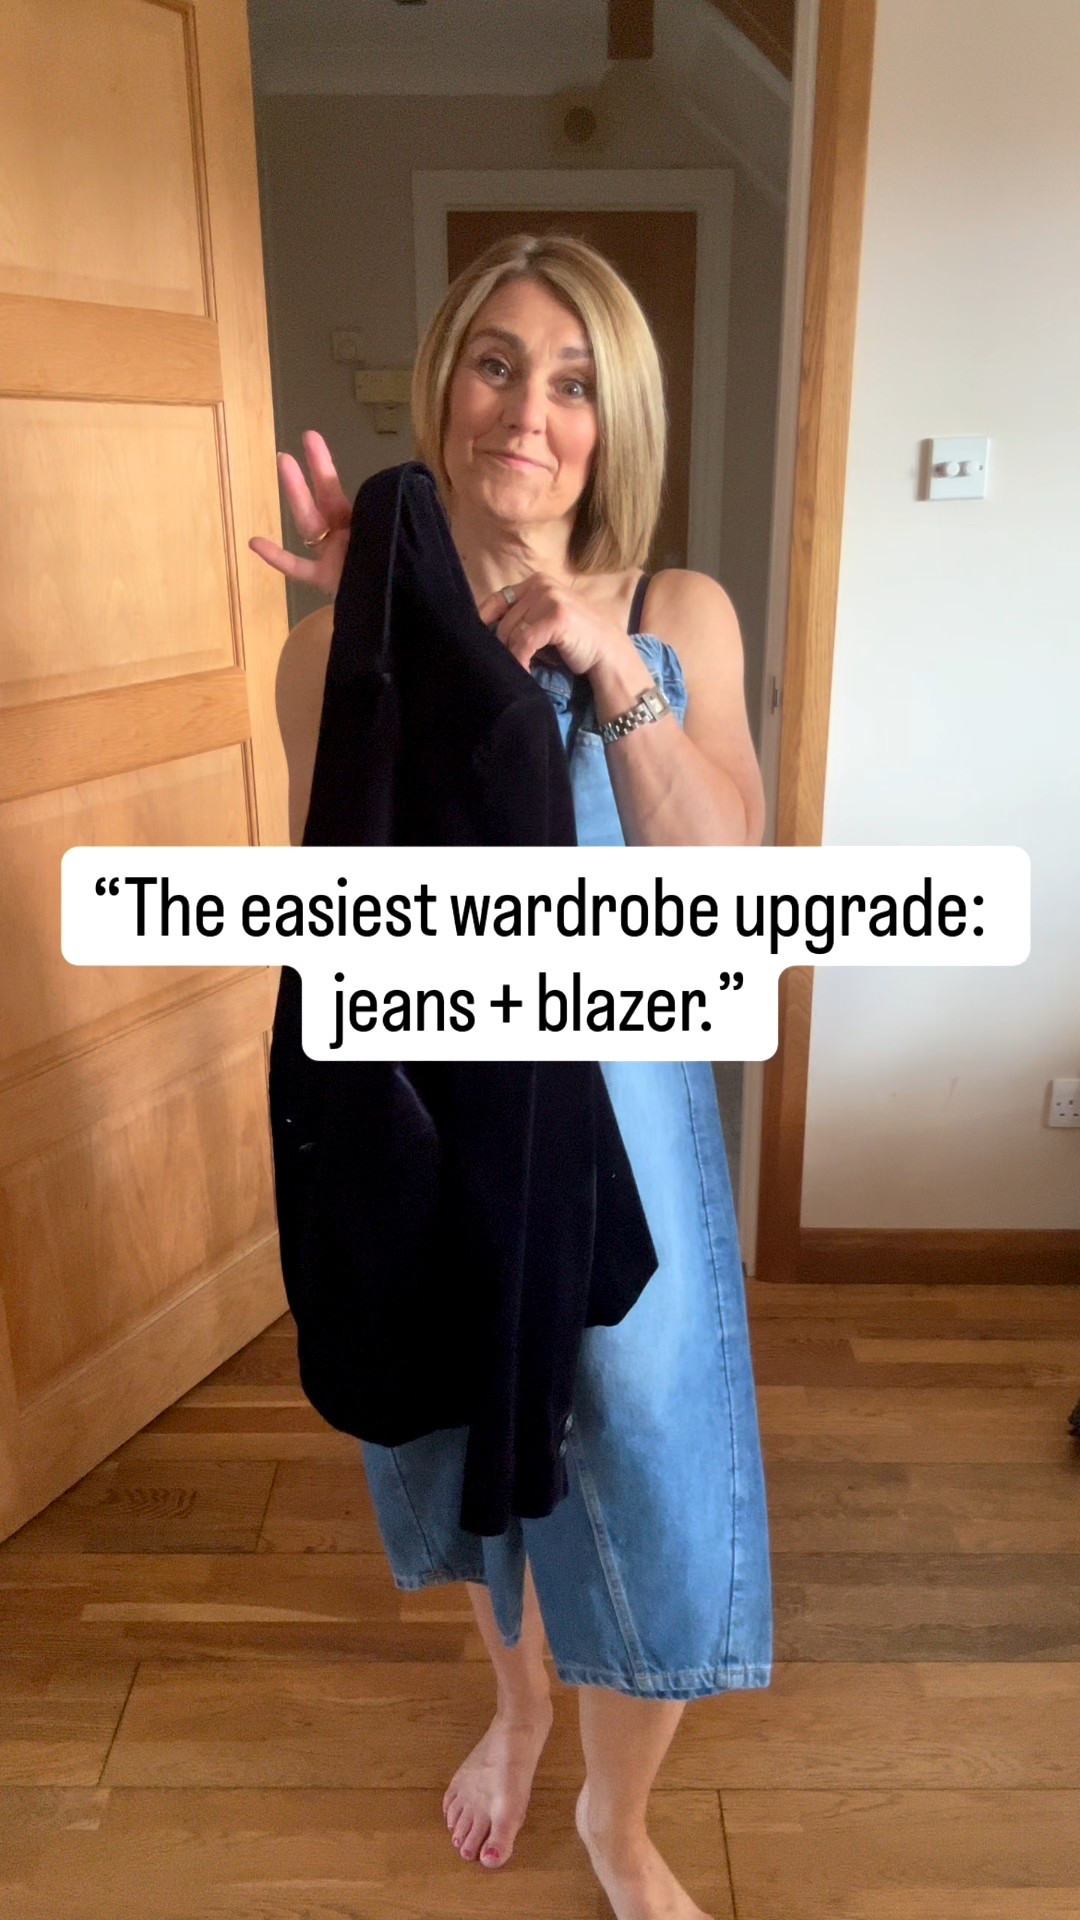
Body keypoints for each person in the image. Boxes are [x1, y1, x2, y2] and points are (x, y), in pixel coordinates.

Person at [251, 232, 772, 1920]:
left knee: (651, 1458)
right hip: (445, 1107)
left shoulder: (680, 614)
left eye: (571, 381)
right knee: (481, 1425)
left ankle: (619, 1822)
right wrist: (386, 654)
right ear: (445, 386)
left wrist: (605, 664)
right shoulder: (327, 649)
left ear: (615, 422)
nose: (526, 412)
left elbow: (733, 883)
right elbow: (350, 910)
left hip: (633, 1110)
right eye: (496, 364)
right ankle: (520, 1706)